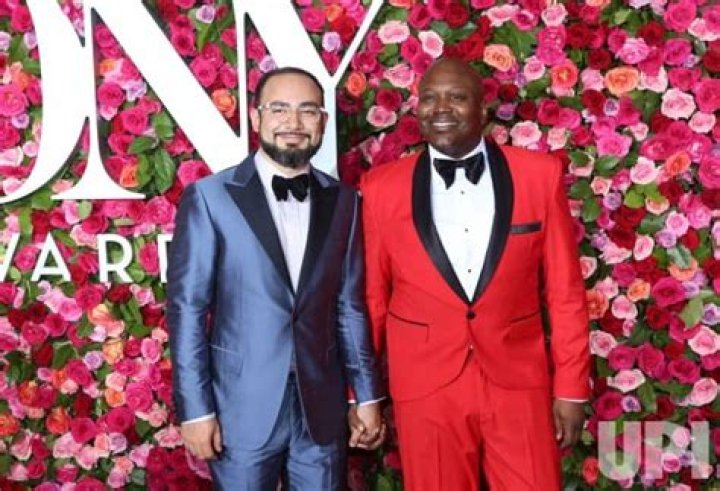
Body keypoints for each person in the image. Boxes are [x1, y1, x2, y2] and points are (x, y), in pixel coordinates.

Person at [360, 57, 591, 490]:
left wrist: (571, 388)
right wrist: (362, 393)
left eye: (456, 97)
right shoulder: (380, 188)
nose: (440, 108)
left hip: (517, 378)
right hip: (426, 384)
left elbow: (565, 293)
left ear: (483, 110)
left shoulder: (538, 176)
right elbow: (372, 299)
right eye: (429, 98)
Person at [167, 66, 385, 490]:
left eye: (308, 111)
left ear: (323, 121)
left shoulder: (345, 202)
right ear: (256, 118)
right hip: (238, 408)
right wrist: (195, 410)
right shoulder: (210, 198)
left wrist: (366, 394)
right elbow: (187, 310)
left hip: (320, 407)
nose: (293, 122)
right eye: (279, 109)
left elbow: (349, 307)